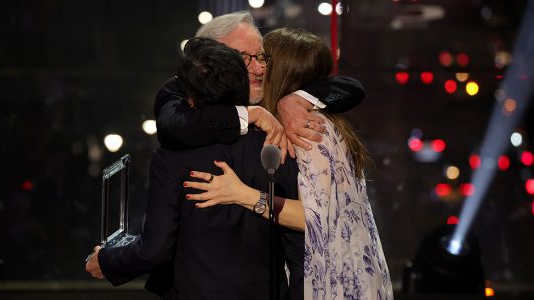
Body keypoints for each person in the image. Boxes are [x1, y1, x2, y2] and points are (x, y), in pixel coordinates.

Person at [85, 37, 304, 299]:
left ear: (189, 95)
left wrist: (107, 261)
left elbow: (154, 250)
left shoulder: (172, 159)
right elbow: (296, 244)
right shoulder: (279, 144)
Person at [185, 28, 394, 300]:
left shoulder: (310, 131)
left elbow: (314, 218)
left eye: (263, 59)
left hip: (328, 283)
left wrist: (240, 194)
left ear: (279, 71)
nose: (257, 68)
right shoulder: (299, 120)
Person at [154, 11, 366, 161]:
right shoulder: (180, 88)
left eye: (260, 57)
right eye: (243, 57)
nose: (259, 69)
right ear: (207, 61)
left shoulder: (273, 82)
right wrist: (253, 114)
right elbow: (174, 128)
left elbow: (351, 88)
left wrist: (293, 101)